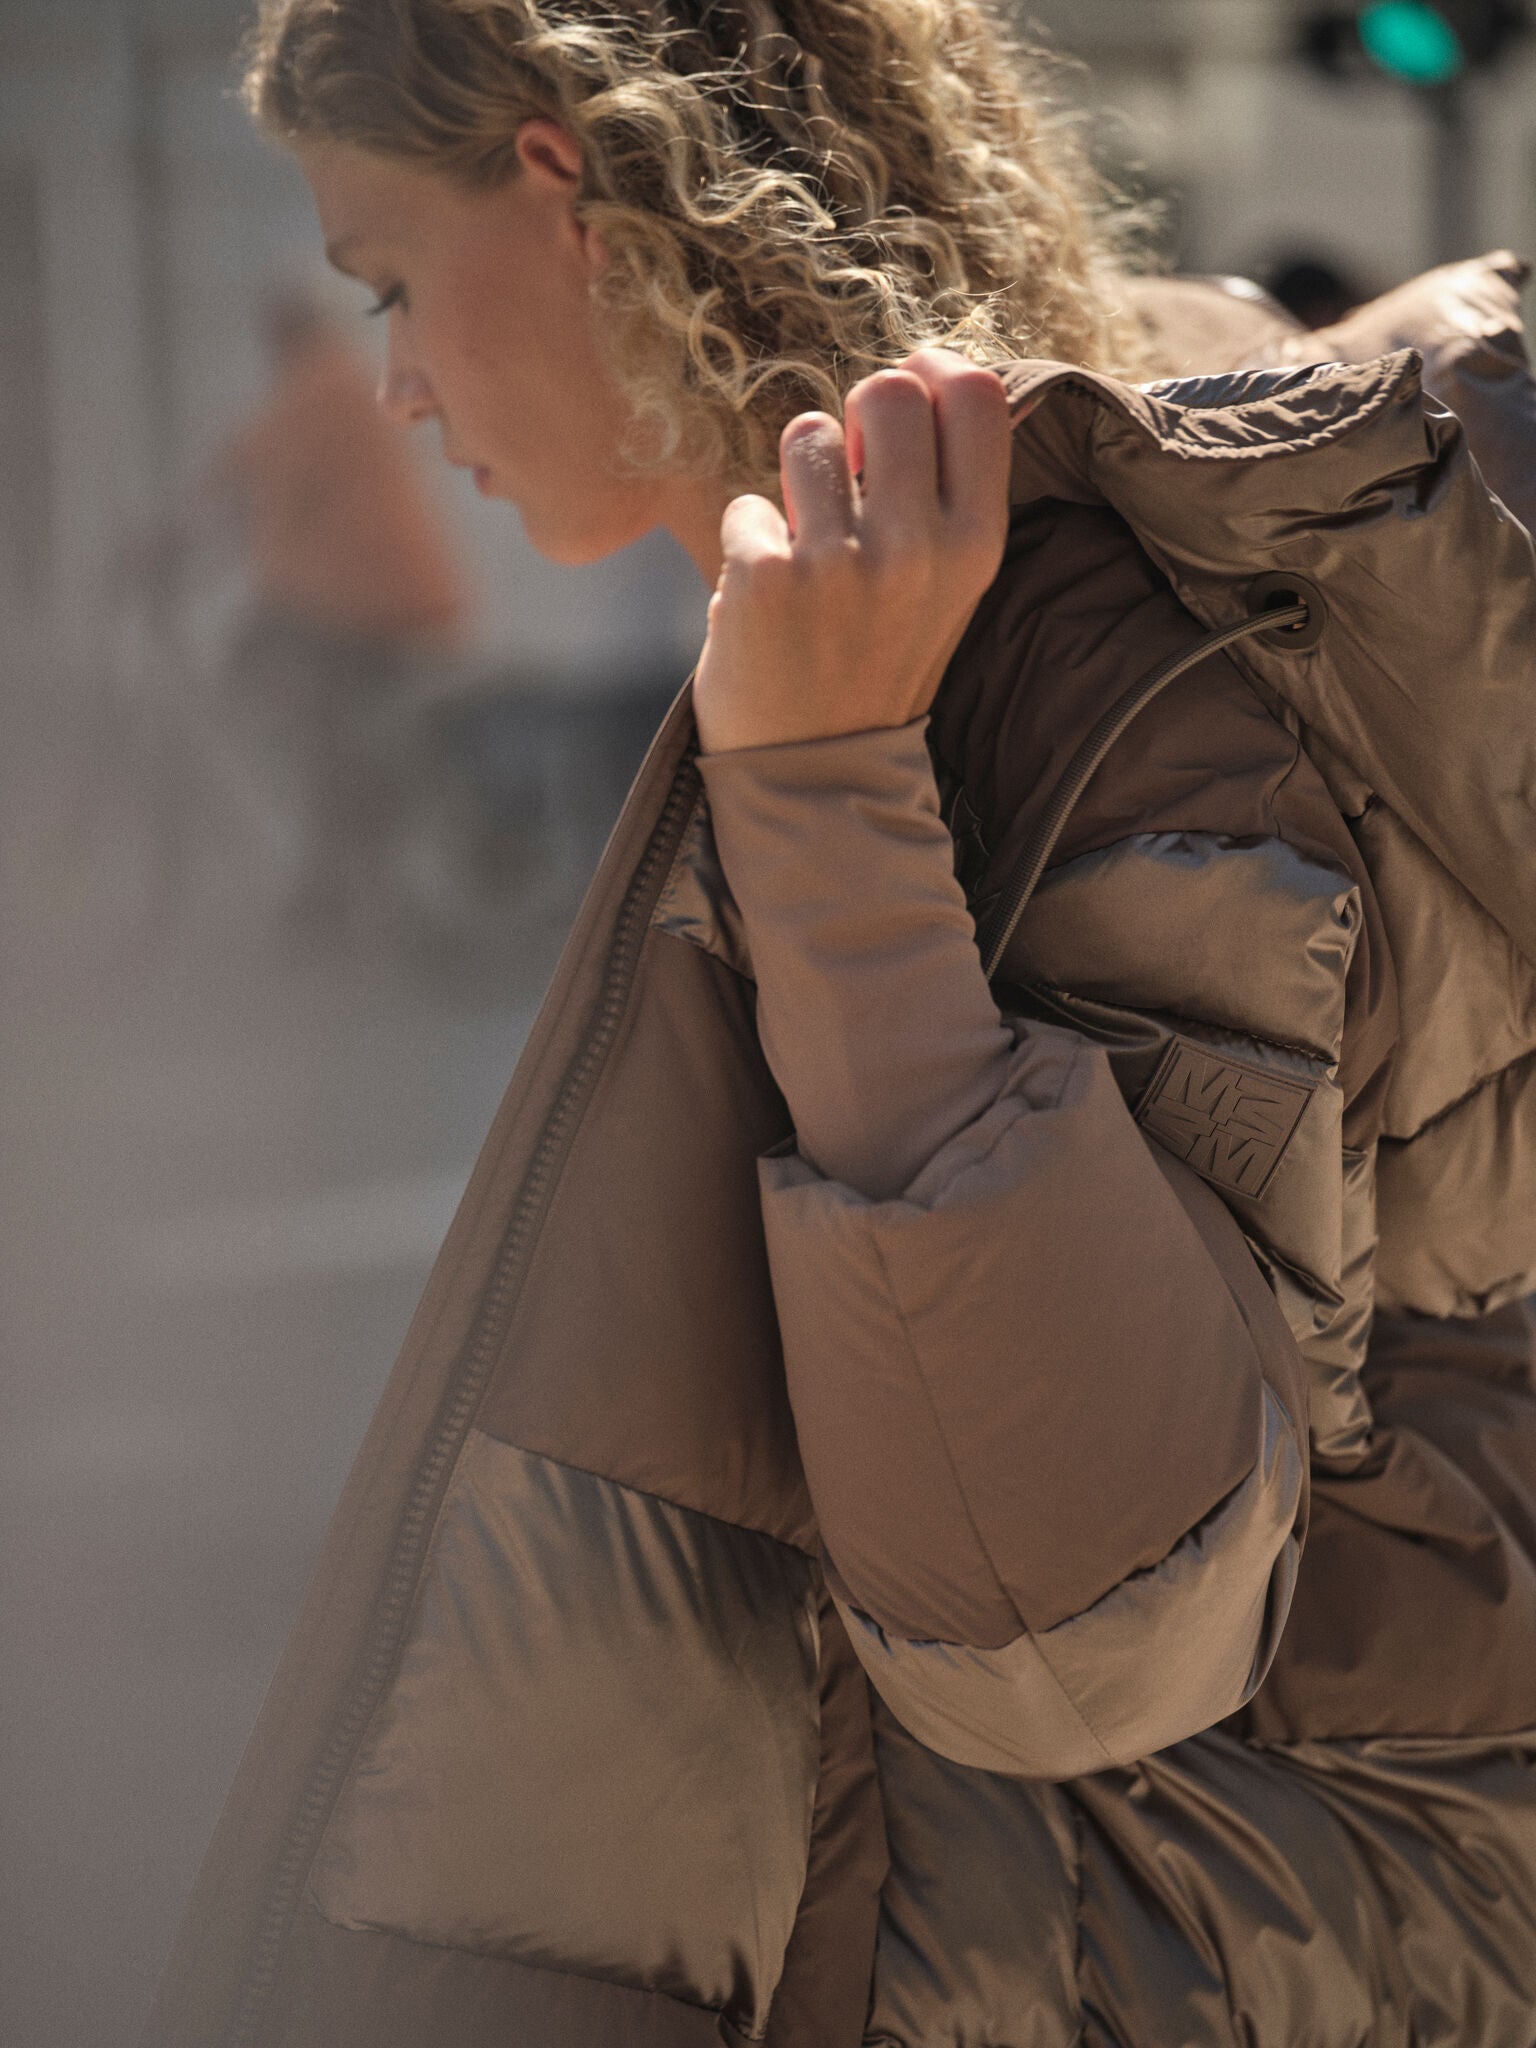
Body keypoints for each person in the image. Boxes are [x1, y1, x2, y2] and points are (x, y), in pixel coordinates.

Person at [144, 3, 1536, 2044]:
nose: (400, 384)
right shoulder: (938, 596)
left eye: (391, 283)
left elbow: (1086, 1629)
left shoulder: (1071, 663)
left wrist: (826, 807)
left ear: (570, 184)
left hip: (1129, 1951)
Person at [215, 285, 469, 931]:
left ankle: (332, 879)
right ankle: (332, 876)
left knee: (259, 676)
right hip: (366, 599)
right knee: (320, 726)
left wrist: (163, 541)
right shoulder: (332, 381)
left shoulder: (321, 385)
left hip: (372, 603)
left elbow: (247, 463)